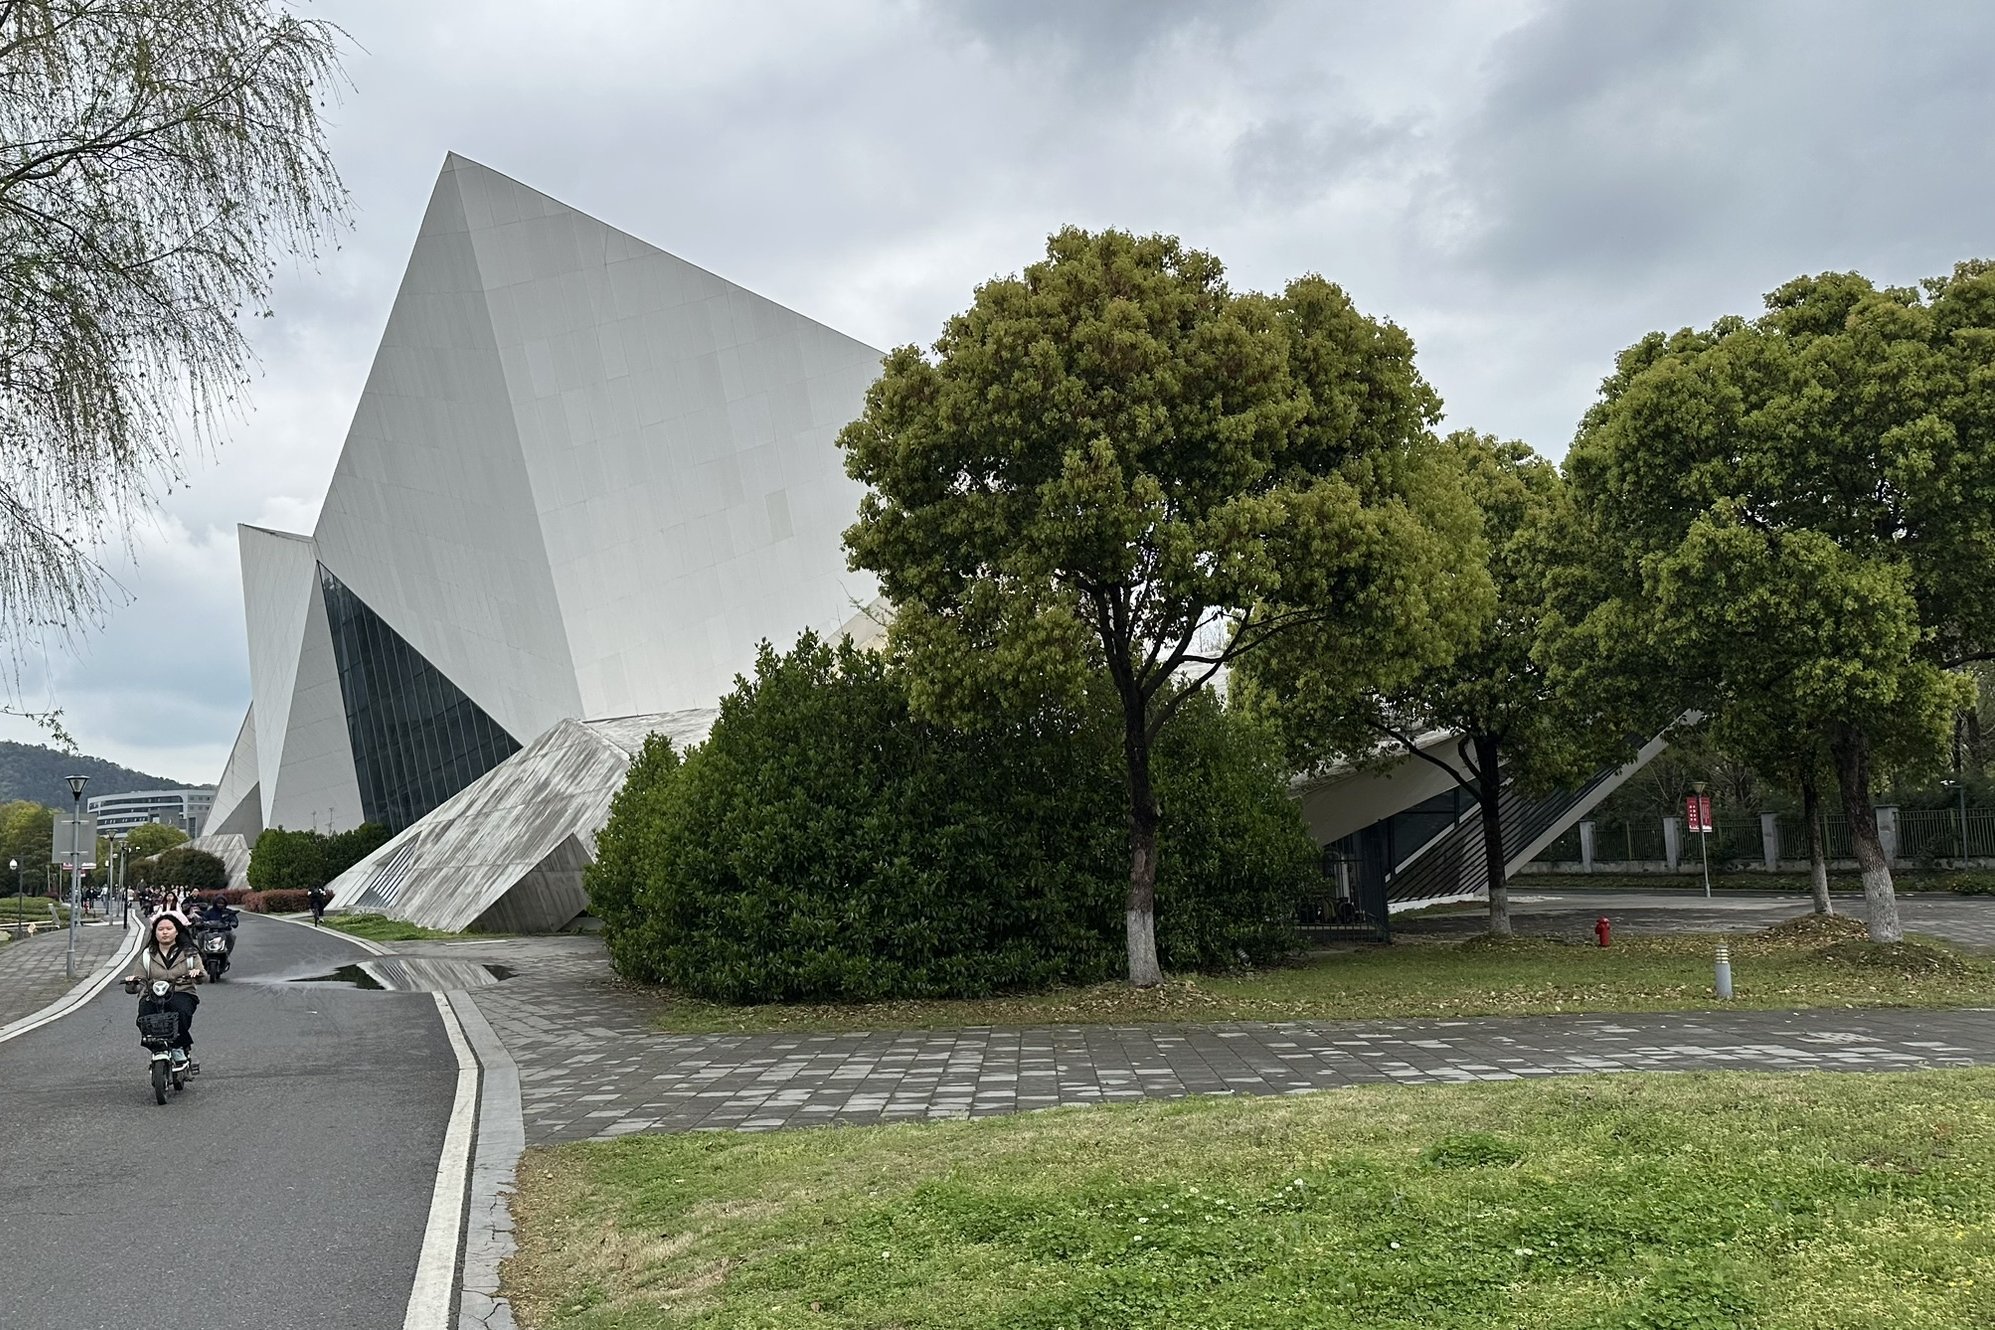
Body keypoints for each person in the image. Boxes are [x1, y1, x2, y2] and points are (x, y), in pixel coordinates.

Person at [121, 911, 205, 1068]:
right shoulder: (147, 955)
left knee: (179, 1011)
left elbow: (202, 976)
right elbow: (138, 980)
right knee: (144, 1016)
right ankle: (157, 1046)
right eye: (160, 929)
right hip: (153, 993)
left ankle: (179, 1047)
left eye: (168, 928)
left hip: (182, 991)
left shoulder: (189, 952)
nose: (164, 932)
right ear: (155, 932)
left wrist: (196, 974)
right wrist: (132, 983)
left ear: (177, 931)